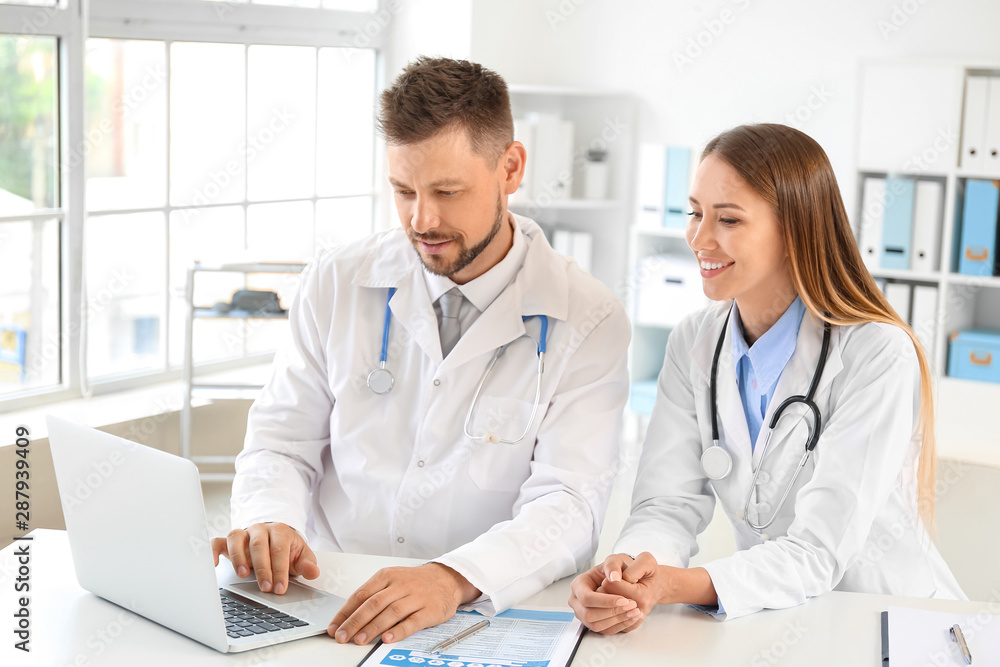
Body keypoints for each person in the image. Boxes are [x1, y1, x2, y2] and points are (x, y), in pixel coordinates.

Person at [211, 57, 631, 646]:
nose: (423, 220)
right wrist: (268, 519)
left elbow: (569, 501)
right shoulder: (336, 280)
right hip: (329, 598)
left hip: (478, 610)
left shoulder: (588, 317)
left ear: (510, 168)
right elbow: (282, 441)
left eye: (447, 191)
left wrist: (452, 578)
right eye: (403, 191)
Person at [568, 123, 965, 632]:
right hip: (777, 616)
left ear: (796, 229)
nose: (699, 238)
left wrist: (671, 585)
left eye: (729, 219)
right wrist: (625, 574)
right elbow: (667, 504)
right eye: (695, 213)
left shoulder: (877, 353)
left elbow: (819, 551)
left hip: (886, 622)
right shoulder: (695, 341)